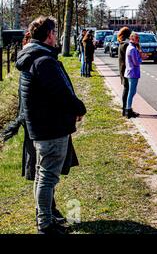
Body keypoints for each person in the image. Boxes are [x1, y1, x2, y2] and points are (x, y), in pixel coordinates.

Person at [15, 16, 86, 234]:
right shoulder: (43, 61)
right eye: (55, 32)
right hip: (51, 129)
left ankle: (44, 218)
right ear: (49, 35)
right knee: (47, 178)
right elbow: (61, 93)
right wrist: (79, 108)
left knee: (41, 175)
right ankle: (45, 224)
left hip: (40, 127)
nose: (56, 36)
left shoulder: (31, 57)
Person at [118, 27, 138, 118]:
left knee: (127, 90)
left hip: (123, 69)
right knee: (128, 90)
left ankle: (126, 109)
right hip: (127, 70)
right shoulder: (126, 45)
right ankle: (126, 109)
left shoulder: (121, 43)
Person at [125, 32, 142, 119]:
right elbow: (136, 62)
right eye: (137, 38)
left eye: (138, 38)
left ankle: (129, 109)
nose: (138, 40)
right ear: (132, 39)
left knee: (132, 92)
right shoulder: (132, 49)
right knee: (131, 92)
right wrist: (140, 57)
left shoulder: (130, 47)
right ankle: (128, 110)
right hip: (133, 73)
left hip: (130, 72)